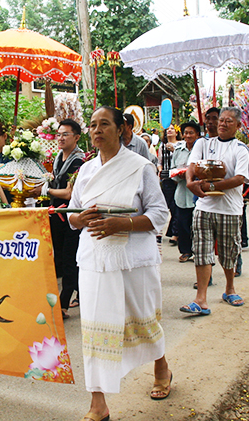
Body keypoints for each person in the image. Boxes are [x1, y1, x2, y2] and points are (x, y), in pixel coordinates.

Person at [68, 106, 171, 421]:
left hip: (133, 261)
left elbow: (160, 214)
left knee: (142, 321)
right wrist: (79, 219)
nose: (97, 130)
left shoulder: (140, 167)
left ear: (121, 128)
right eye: (93, 125)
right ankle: (98, 403)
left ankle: (161, 367)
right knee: (95, 330)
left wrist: (121, 224)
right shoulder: (85, 171)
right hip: (94, 261)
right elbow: (71, 215)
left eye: (104, 124)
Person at [181, 107, 249, 315]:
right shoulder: (204, 143)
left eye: (228, 121)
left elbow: (239, 179)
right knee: (201, 250)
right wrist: (191, 182)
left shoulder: (240, 149)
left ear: (238, 126)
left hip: (229, 209)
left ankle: (229, 288)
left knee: (229, 252)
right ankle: (200, 299)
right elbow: (191, 166)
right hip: (204, 207)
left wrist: (211, 187)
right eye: (221, 120)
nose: (222, 124)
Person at [31, 119, 85, 319]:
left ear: (77, 137)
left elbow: (70, 193)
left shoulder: (79, 161)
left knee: (70, 259)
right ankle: (81, 291)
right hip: (55, 214)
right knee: (60, 259)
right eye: (59, 134)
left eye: (65, 134)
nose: (61, 138)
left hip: (70, 216)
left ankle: (63, 305)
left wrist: (45, 190)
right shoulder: (58, 158)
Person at [171, 122, 200, 262]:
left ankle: (198, 251)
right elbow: (172, 169)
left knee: (197, 225)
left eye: (191, 133)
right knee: (182, 224)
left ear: (197, 135)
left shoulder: (201, 150)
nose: (188, 135)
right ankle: (185, 251)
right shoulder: (178, 150)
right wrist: (180, 175)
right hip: (182, 193)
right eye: (186, 133)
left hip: (198, 193)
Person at [157, 125, 180, 246]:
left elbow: (182, 159)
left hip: (178, 178)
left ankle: (176, 234)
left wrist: (174, 151)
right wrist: (160, 170)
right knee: (163, 205)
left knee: (176, 207)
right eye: (168, 129)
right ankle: (158, 232)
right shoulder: (162, 146)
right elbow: (159, 162)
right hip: (166, 178)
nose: (170, 130)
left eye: (172, 129)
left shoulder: (180, 145)